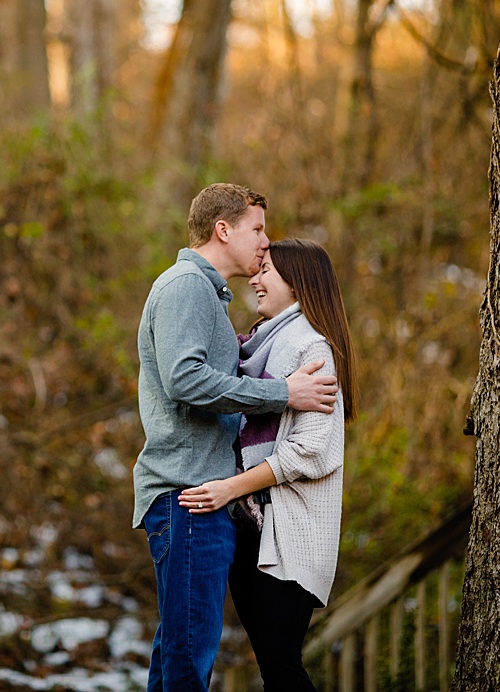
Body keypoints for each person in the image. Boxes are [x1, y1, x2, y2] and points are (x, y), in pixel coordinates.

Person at [133, 183, 337, 691]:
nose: (265, 243)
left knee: (179, 650)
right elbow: (186, 380)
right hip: (190, 495)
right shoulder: (188, 287)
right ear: (223, 230)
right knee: (187, 655)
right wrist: (282, 393)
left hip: (199, 497)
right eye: (258, 229)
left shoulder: (207, 296)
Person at [177, 239, 354, 690]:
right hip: (252, 530)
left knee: (281, 665)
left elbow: (309, 450)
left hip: (290, 541)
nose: (254, 278)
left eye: (267, 271)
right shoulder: (261, 345)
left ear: (298, 284)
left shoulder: (311, 349)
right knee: (273, 667)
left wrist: (231, 488)